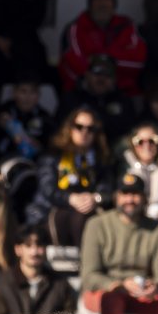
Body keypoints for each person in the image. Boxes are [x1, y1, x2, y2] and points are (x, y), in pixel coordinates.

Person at [79, 173, 158, 314]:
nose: (129, 200)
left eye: (135, 194)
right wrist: (119, 285)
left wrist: (155, 287)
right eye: (125, 194)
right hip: (109, 289)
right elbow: (89, 275)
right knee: (111, 300)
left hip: (143, 294)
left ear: (144, 198)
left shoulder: (157, 229)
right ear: (116, 197)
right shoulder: (96, 224)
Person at [26, 107, 115, 257]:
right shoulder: (53, 156)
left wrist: (95, 198)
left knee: (85, 217)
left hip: (87, 212)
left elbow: (107, 188)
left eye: (90, 129)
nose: (84, 132)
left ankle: (89, 261)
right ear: (69, 128)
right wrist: (70, 198)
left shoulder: (101, 159)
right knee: (75, 216)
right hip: (51, 211)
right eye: (79, 127)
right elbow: (47, 188)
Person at [58, 0, 147, 97]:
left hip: (124, 93)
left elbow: (137, 62)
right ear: (90, 5)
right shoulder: (75, 28)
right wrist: (112, 64)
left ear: (114, 5)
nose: (102, 4)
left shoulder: (128, 26)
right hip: (82, 93)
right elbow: (73, 64)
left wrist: (97, 59)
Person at [0, 224, 77, 314]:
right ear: (18, 249)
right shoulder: (2, 285)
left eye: (39, 245)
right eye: (28, 245)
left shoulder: (60, 285)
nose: (34, 252)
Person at [56, 54, 137, 145]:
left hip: (114, 151)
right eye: (97, 72)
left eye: (108, 74)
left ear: (114, 79)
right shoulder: (71, 99)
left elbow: (131, 134)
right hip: (74, 150)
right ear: (87, 74)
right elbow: (59, 132)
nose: (102, 78)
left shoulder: (124, 102)